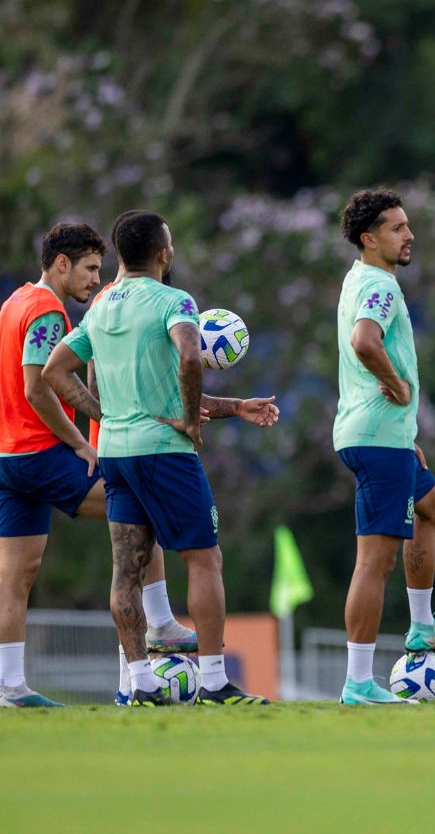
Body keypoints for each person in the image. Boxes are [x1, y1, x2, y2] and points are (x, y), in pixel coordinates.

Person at [44, 210, 276, 706]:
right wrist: (191, 421)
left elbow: (55, 371)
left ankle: (142, 685)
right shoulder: (175, 300)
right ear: (163, 254)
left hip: (116, 454)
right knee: (204, 559)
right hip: (165, 454)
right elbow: (190, 357)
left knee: (126, 573)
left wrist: (107, 413)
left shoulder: (101, 306)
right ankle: (214, 682)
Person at [0, 223, 190, 708]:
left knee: (17, 575)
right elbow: (39, 386)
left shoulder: (13, 302)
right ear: (61, 264)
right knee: (138, 510)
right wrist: (83, 441)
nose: (94, 278)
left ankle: (10, 686)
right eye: (88, 268)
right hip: (41, 454)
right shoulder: (46, 309)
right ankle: (160, 620)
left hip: (8, 458)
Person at [333, 188, 435, 706]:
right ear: (370, 238)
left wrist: (407, 437)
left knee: (433, 502)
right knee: (374, 563)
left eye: (408, 225)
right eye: (398, 228)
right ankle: (358, 682)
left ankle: (421, 626)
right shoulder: (379, 285)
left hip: (385, 437)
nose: (409, 235)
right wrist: (396, 384)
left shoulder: (358, 279)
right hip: (376, 439)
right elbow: (365, 340)